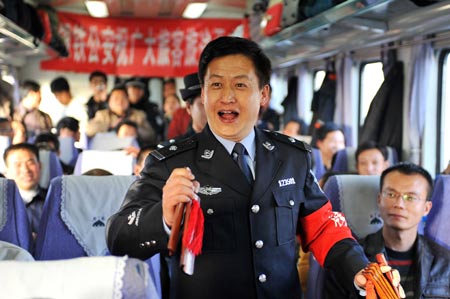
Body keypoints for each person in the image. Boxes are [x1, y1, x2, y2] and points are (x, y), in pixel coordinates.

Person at [107, 36, 369, 299]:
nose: (227, 97)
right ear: (204, 93)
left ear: (264, 94)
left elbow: (323, 227)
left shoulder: (292, 157)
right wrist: (163, 218)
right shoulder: (171, 162)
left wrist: (360, 270)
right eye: (217, 85)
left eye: (240, 85)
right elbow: (118, 236)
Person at [325, 162, 450, 298]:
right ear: (379, 199)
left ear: (426, 208)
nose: (399, 204)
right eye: (391, 194)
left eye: (410, 197)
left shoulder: (445, 262)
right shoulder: (349, 260)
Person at [86, 85, 156, 146]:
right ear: (109, 101)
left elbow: (150, 136)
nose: (120, 101)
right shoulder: (102, 115)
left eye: (123, 98)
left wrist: (134, 128)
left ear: (128, 100)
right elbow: (89, 130)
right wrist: (110, 126)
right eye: (116, 98)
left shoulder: (138, 115)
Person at [4, 143, 47, 236]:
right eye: (17, 165)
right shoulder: (2, 204)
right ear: (6, 172)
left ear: (39, 166)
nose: (25, 170)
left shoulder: (55, 200)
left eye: (30, 163)